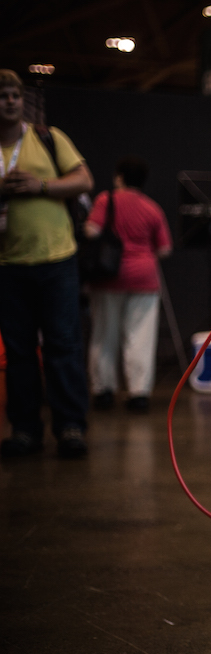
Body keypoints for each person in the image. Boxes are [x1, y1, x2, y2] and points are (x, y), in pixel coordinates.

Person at [0, 69, 94, 459]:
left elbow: (84, 180)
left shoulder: (47, 138)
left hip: (57, 260)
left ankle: (70, 427)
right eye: (2, 95)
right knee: (18, 352)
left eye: (14, 95)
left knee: (62, 345)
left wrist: (37, 185)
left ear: (23, 101)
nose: (9, 101)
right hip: (7, 264)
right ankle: (24, 431)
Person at [85, 156, 172, 413]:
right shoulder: (152, 208)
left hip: (108, 277)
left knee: (104, 333)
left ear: (119, 176)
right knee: (140, 337)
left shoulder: (105, 200)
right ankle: (138, 394)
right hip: (145, 277)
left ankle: (103, 391)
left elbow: (91, 231)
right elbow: (165, 249)